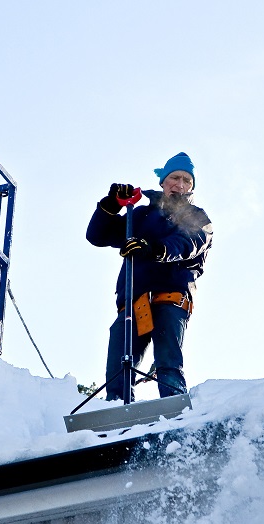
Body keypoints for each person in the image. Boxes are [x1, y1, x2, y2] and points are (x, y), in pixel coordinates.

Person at [86, 152, 213, 401]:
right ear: (163, 182)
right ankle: (115, 413)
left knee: (168, 363)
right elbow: (98, 236)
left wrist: (153, 248)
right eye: (175, 177)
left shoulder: (197, 218)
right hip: (134, 300)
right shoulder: (141, 215)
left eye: (187, 180)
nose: (180, 184)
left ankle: (174, 407)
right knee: (117, 368)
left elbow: (186, 244)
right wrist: (111, 205)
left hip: (170, 299)